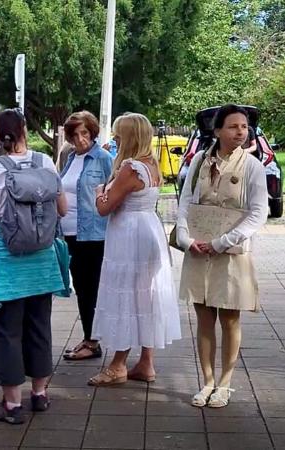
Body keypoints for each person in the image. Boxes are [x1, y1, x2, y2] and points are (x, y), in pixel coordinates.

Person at [0, 108, 66, 424]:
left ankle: (12, 404)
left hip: (5, 260)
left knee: (8, 332)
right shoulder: (46, 163)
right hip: (42, 260)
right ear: (24, 130)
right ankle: (39, 394)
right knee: (39, 326)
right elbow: (62, 208)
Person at [176, 104, 267, 408]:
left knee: (229, 317)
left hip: (231, 252)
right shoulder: (200, 160)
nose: (241, 132)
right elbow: (186, 201)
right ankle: (207, 380)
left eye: (244, 127)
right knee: (203, 318)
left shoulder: (252, 165)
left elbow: (258, 213)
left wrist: (223, 241)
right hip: (198, 250)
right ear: (216, 131)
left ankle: (225, 383)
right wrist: (187, 239)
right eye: (233, 126)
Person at [88, 113, 181, 387]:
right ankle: (146, 362)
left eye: (118, 134)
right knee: (145, 295)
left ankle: (118, 364)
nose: (115, 139)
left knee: (126, 294)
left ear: (128, 137)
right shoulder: (151, 164)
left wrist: (98, 193)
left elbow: (105, 207)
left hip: (128, 234)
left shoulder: (130, 167)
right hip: (148, 228)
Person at [59, 111, 113, 361]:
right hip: (70, 233)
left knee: (91, 288)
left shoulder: (102, 158)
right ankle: (89, 337)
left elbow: (112, 192)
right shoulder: (70, 157)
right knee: (81, 288)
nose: (80, 139)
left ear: (92, 132)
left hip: (93, 234)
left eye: (85, 133)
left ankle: (93, 341)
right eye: (75, 134)